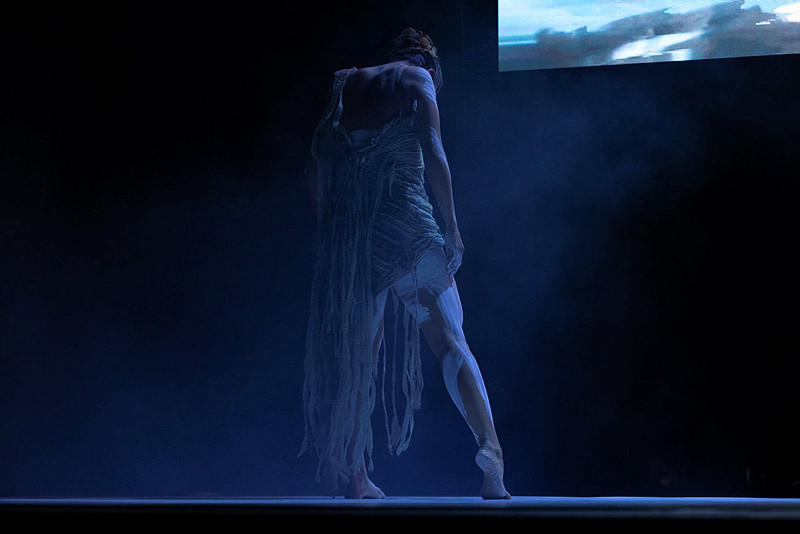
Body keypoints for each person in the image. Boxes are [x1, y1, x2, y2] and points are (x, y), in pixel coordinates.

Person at [300, 28, 510, 500]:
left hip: (355, 235)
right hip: (407, 227)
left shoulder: (346, 82)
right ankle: (490, 452)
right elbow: (433, 151)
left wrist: (330, 227)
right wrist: (451, 228)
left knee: (360, 356)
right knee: (449, 339)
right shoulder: (418, 78)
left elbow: (314, 164)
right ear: (429, 64)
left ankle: (355, 475)